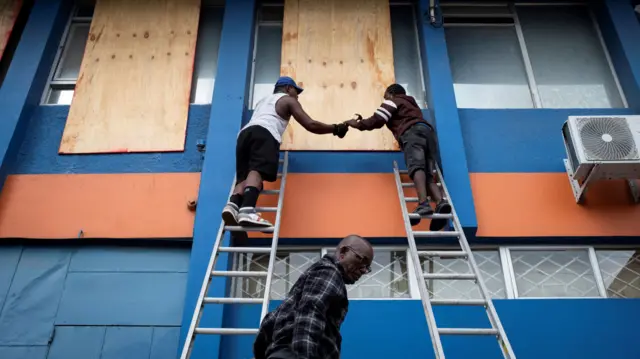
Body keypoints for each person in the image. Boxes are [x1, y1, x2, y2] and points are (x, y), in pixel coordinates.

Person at [222, 76, 349, 228]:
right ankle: (247, 211)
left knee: (244, 177)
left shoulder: (262, 102)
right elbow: (311, 124)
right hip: (265, 133)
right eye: (296, 91)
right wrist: (335, 128)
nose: (297, 95)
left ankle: (233, 205)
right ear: (288, 88)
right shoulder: (288, 100)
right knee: (257, 172)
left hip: (244, 135)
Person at [343, 84, 451, 231]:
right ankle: (440, 202)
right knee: (427, 172)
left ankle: (423, 204)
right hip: (428, 133)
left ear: (390, 93)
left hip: (412, 133)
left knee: (416, 166)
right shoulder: (411, 104)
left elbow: (378, 120)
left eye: (385, 96)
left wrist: (357, 124)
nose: (384, 98)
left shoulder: (393, 101)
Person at [253, 235, 374, 359]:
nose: (364, 270)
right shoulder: (330, 272)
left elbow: (270, 320)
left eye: (367, 267)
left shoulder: (305, 286)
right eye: (361, 260)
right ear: (343, 252)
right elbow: (310, 313)